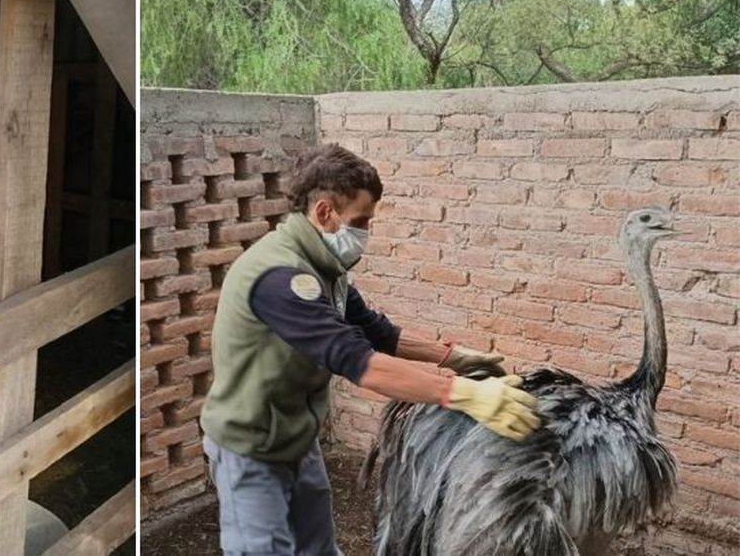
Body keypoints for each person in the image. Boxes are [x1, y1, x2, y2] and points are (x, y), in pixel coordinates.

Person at [199, 143, 540, 556]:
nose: (366, 233)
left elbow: (373, 329)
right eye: (361, 220)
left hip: (295, 437)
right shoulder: (280, 277)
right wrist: (463, 395)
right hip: (250, 448)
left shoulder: (325, 268)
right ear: (325, 213)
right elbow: (355, 360)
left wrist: (450, 357)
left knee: (318, 548)